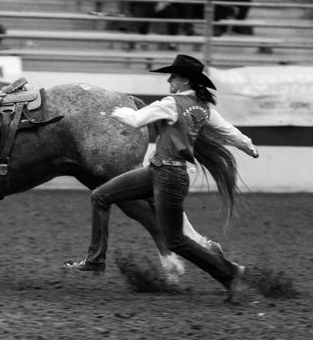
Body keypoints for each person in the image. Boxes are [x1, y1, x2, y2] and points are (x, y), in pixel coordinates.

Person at [64, 54, 260, 302]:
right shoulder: (204, 109)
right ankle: (95, 260)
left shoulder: (171, 104)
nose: (169, 80)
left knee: (176, 241)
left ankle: (230, 272)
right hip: (162, 172)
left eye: (173, 76)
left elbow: (135, 120)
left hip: (166, 176)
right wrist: (250, 147)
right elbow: (229, 132)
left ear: (185, 80)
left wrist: (113, 112)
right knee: (100, 196)